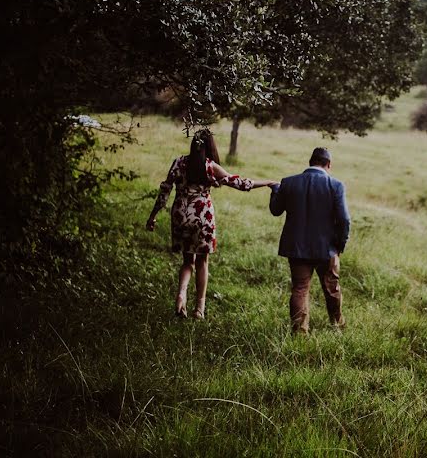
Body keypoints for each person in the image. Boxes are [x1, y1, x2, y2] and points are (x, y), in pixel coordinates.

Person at [146, 130, 277, 319]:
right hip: (202, 217)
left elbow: (165, 190)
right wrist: (268, 182)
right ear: (209, 146)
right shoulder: (210, 166)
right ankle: (199, 309)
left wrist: (153, 216)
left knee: (187, 260)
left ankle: (181, 295)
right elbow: (240, 183)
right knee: (202, 261)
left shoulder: (178, 162)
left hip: (180, 214)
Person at [269, 147, 350, 333]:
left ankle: (299, 333)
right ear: (328, 165)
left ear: (310, 162)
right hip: (327, 248)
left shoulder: (288, 183)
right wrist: (340, 245)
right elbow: (345, 219)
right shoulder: (336, 185)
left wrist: (275, 190)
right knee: (332, 289)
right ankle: (337, 325)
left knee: (300, 289)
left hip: (297, 248)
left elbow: (275, 211)